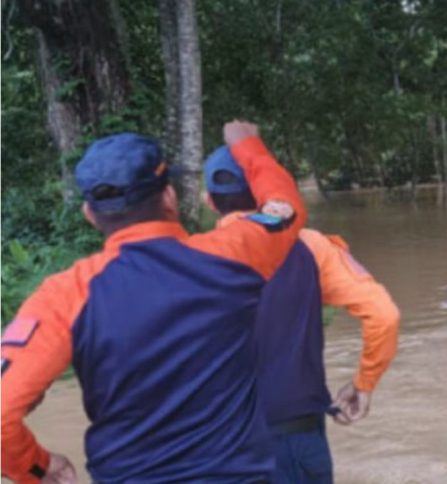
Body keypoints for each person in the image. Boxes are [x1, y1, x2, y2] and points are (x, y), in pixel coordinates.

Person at [1, 121, 306, 483]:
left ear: (89, 214)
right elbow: (285, 209)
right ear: (169, 198)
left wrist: (37, 466)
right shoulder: (234, 255)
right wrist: (249, 146)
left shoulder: (65, 296)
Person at [203, 147, 400, 484]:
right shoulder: (312, 247)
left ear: (209, 201)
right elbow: (384, 315)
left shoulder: (186, 259)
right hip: (298, 440)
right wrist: (362, 385)